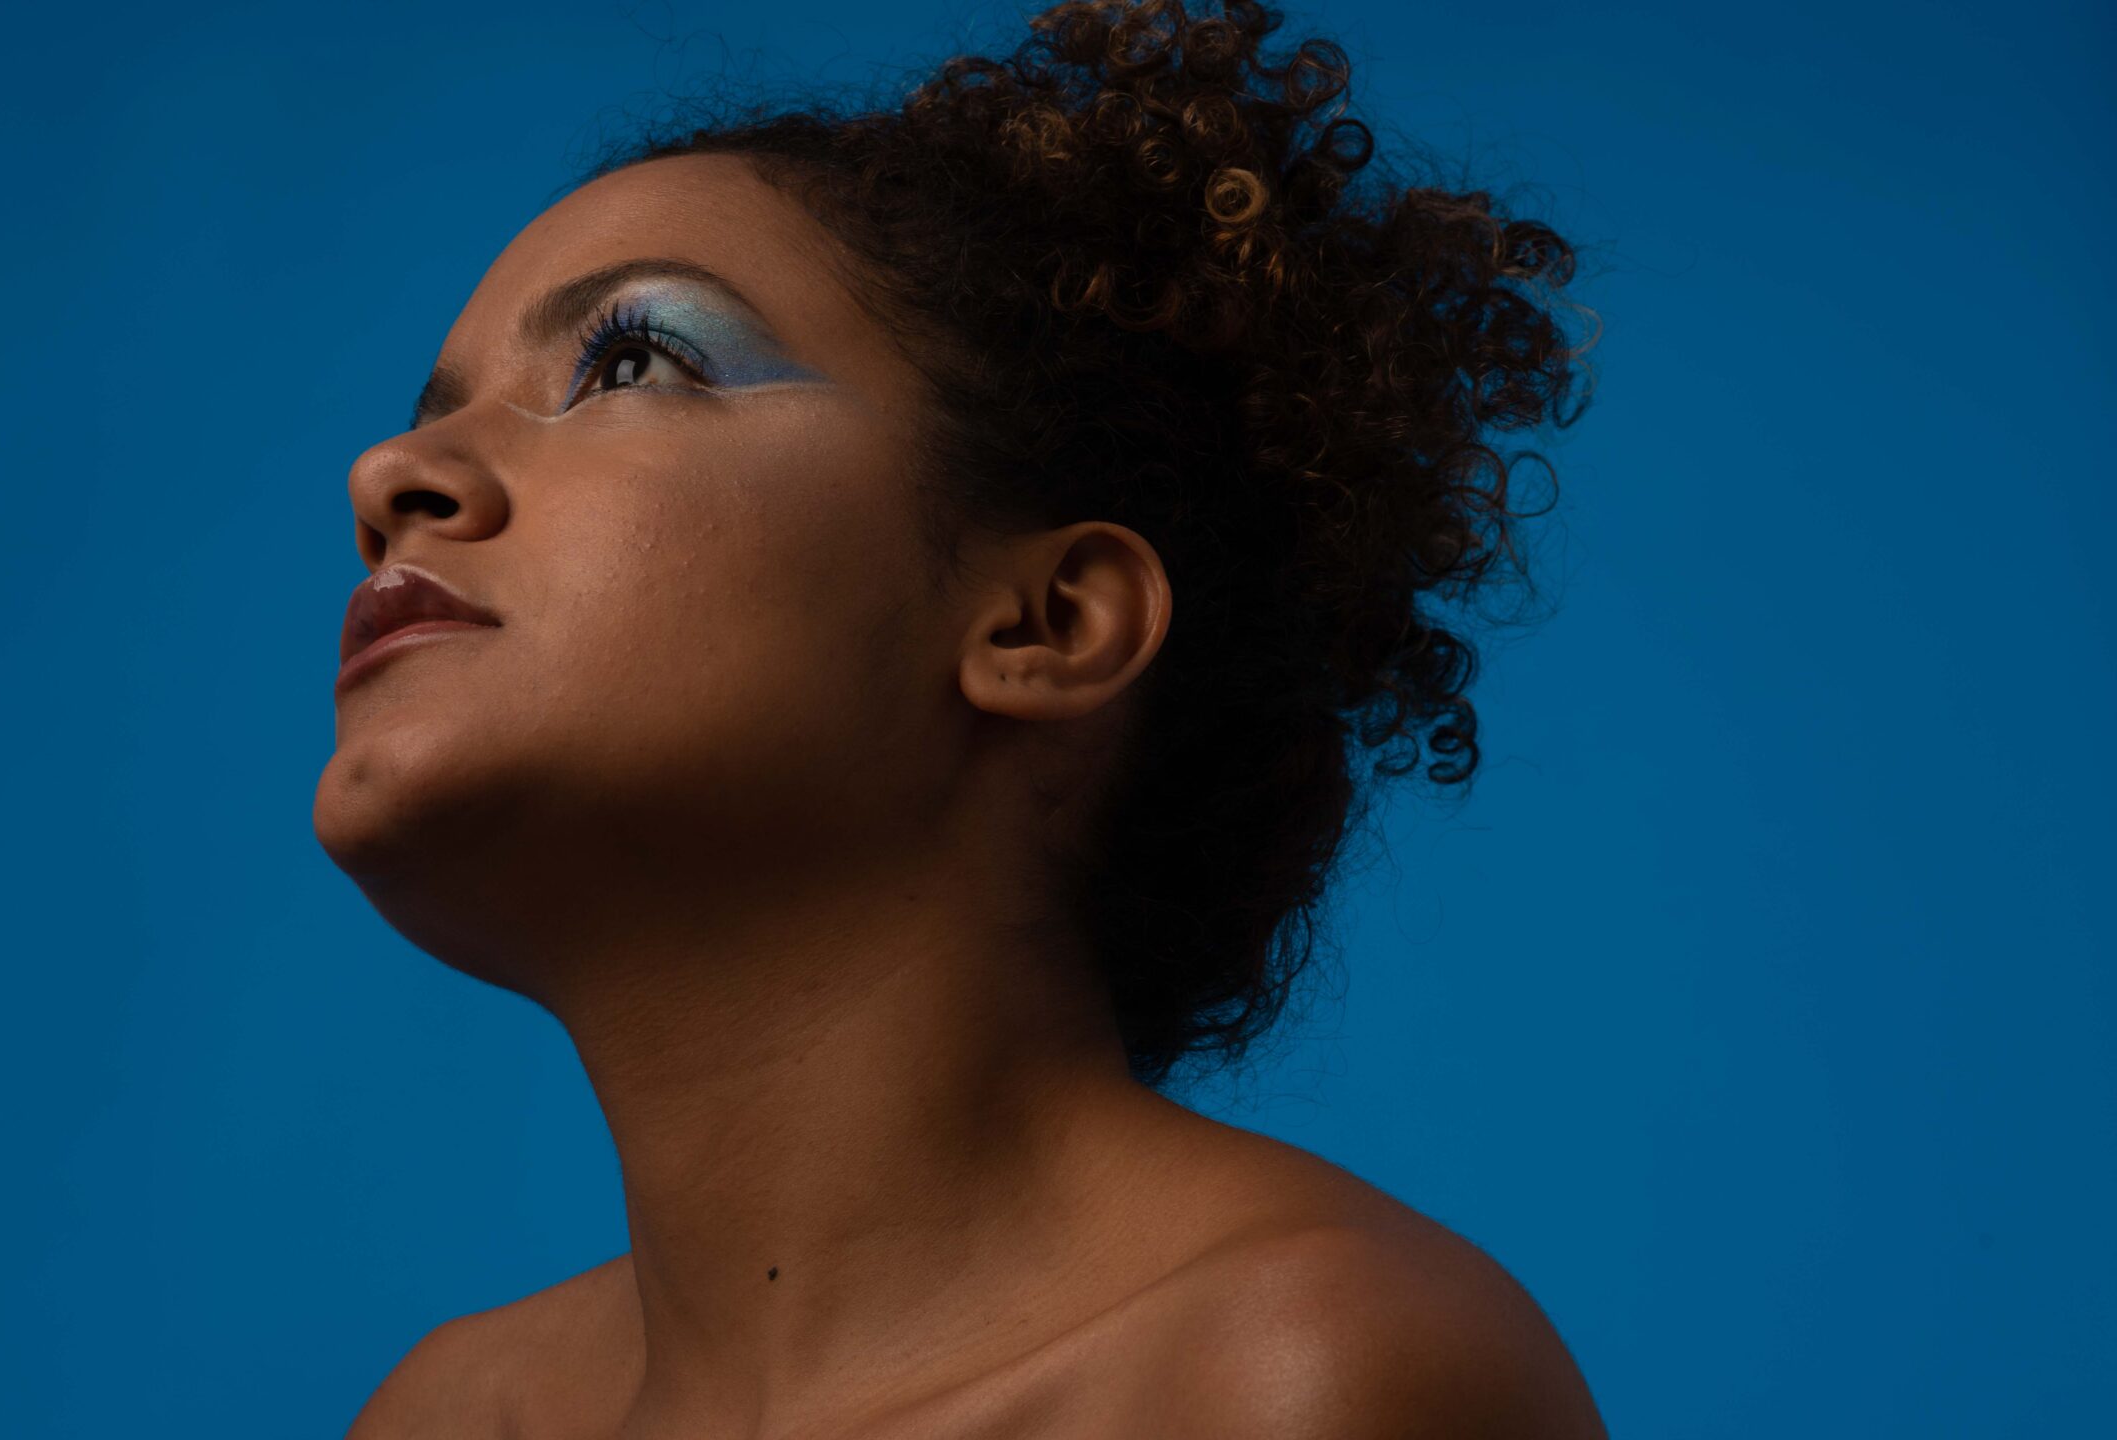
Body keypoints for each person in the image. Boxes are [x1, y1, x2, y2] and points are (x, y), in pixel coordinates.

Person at [314, 1, 1603, 1433]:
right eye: (435, 409)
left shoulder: (1285, 1380)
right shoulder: (444, 1417)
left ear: (1047, 623)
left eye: (632, 363)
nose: (390, 475)